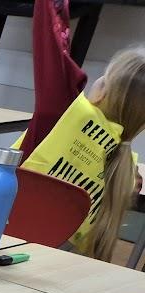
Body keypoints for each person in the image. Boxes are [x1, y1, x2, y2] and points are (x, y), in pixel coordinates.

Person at [21, 47, 145, 262]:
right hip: (55, 265)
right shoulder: (128, 175)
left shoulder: (63, 118)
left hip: (5, 242)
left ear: (103, 91)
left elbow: (51, 56)